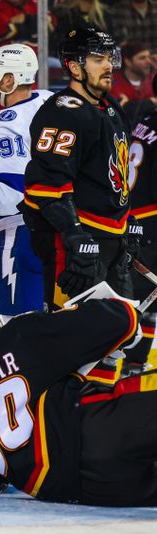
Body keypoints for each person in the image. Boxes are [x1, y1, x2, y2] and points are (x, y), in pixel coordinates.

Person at [0, 295, 157, 506]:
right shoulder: (18, 334)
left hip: (75, 489)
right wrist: (119, 309)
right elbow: (120, 320)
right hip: (93, 431)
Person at [23, 28, 138, 381]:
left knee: (114, 342)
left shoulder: (111, 108)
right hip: (76, 243)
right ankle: (60, 425)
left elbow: (114, 174)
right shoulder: (62, 112)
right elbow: (46, 183)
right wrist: (73, 234)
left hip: (110, 242)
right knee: (72, 339)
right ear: (74, 67)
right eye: (98, 59)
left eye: (110, 58)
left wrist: (126, 226)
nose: (109, 66)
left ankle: (98, 423)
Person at [0, 44, 51, 322]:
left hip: (21, 234)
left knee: (17, 328)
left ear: (9, 80)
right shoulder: (51, 101)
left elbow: (15, 192)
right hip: (66, 229)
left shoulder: (1, 125)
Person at [125, 82, 157, 377]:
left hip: (130, 221)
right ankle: (128, 364)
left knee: (145, 300)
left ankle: (132, 364)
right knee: (144, 301)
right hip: (150, 226)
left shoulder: (143, 122)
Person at [108, 42, 155, 109]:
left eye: (149, 57)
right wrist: (150, 102)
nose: (148, 61)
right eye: (142, 58)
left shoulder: (153, 80)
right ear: (128, 62)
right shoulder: (113, 83)